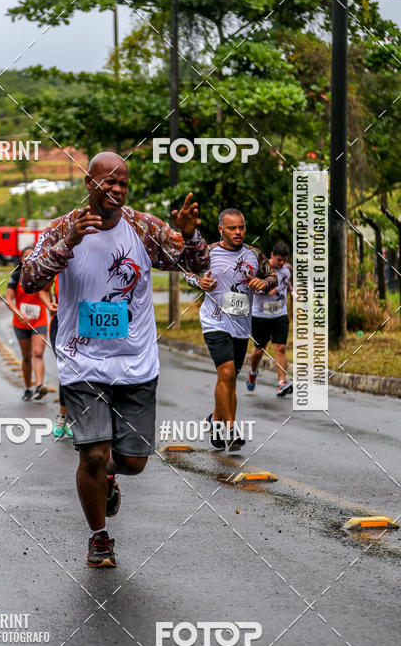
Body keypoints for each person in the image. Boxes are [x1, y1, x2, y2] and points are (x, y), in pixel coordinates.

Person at [21, 151, 209, 568]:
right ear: (89, 183)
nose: (118, 190)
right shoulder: (61, 229)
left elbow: (195, 265)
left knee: (133, 462)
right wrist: (68, 244)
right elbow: (29, 278)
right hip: (81, 362)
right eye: (109, 182)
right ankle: (99, 536)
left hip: (136, 361)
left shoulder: (142, 228)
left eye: (124, 183)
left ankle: (109, 477)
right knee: (91, 452)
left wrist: (192, 236)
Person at [186, 209, 276, 453]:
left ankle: (215, 421)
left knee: (228, 378)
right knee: (226, 372)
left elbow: (272, 277)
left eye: (241, 228)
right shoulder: (208, 253)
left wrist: (263, 283)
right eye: (232, 228)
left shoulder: (254, 255)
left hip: (240, 325)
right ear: (221, 229)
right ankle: (231, 430)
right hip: (214, 322)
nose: (238, 232)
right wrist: (199, 282)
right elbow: (189, 273)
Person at [247, 241, 293, 396]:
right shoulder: (262, 269)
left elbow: (287, 283)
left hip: (279, 314)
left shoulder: (287, 269)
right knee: (259, 350)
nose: (282, 263)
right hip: (260, 315)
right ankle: (253, 372)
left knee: (280, 347)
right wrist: (266, 291)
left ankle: (281, 383)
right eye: (279, 260)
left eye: (284, 260)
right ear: (272, 255)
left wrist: (293, 292)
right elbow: (251, 288)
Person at [6, 247, 51, 402]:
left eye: (33, 255)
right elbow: (8, 299)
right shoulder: (16, 276)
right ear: (21, 260)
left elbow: (48, 292)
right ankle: (28, 388)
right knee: (26, 357)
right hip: (21, 322)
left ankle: (39, 386)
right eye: (27, 256)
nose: (30, 258)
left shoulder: (43, 275)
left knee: (37, 353)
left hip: (39, 320)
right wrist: (19, 314)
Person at [48, 275, 73, 438]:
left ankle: (74, 417)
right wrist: (49, 305)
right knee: (67, 370)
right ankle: (63, 416)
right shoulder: (58, 265)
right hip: (61, 325)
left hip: (84, 325)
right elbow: (43, 290)